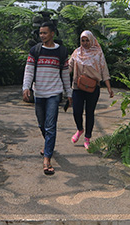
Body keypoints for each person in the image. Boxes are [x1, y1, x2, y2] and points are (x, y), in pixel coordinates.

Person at [22, 21, 72, 175]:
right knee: (41, 124)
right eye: (40, 33)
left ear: (52, 33)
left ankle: (47, 159)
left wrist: (69, 94)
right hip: (39, 92)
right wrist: (26, 87)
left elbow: (65, 74)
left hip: (54, 93)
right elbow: (29, 71)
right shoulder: (35, 50)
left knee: (50, 126)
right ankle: (48, 145)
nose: (42, 35)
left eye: (44, 33)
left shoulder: (61, 52)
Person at [68, 30, 114, 150]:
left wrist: (109, 88)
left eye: (87, 40)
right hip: (78, 87)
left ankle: (87, 138)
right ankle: (80, 129)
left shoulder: (98, 53)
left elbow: (104, 70)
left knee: (89, 112)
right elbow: (69, 67)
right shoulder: (77, 52)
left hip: (93, 87)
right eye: (83, 40)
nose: (85, 43)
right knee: (76, 111)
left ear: (92, 40)